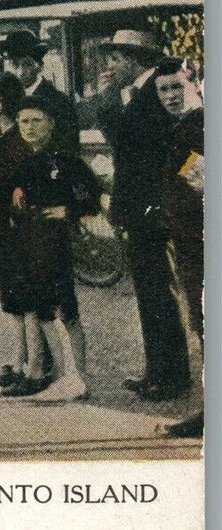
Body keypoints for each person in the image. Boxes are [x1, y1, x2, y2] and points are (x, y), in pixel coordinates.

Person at [98, 32, 191, 402]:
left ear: (133, 59)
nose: (110, 66)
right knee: (150, 295)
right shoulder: (138, 94)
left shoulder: (157, 91)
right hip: (142, 211)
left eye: (115, 59)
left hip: (152, 212)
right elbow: (124, 146)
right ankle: (158, 372)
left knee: (158, 296)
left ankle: (171, 378)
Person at [0, 97, 101, 402]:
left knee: (64, 309)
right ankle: (62, 377)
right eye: (23, 121)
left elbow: (92, 196)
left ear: (51, 124)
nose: (29, 127)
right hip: (30, 242)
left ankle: (79, 378)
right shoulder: (26, 162)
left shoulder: (65, 161)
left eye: (36, 120)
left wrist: (68, 211)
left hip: (54, 242)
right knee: (44, 309)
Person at [0, 74, 45, 392]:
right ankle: (19, 364)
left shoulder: (15, 143)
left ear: (0, 105)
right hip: (3, 234)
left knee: (26, 301)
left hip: (14, 233)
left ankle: (34, 370)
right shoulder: (7, 140)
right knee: (14, 302)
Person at [157, 60, 203, 437]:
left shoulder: (200, 125)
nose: (171, 96)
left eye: (177, 87)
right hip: (188, 241)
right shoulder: (181, 127)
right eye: (164, 90)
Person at [2, 30, 79, 153]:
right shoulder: (6, 99)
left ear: (40, 67)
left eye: (27, 64)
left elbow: (68, 148)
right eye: (15, 65)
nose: (20, 72)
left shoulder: (59, 101)